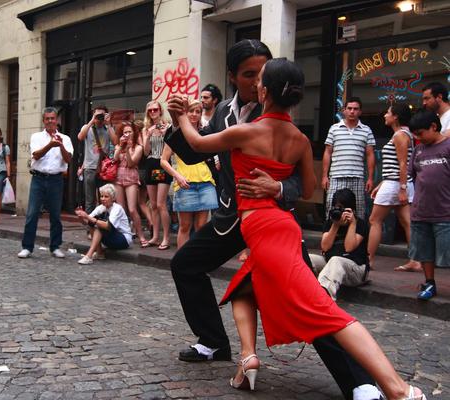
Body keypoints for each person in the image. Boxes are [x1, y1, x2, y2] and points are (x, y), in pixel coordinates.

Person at [177, 57, 425, 400]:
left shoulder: (246, 132)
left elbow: (198, 144)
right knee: (243, 288)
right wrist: (278, 184)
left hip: (264, 230)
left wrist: (179, 116)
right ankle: (246, 359)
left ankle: (398, 390)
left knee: (325, 311)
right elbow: (310, 191)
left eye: (259, 78)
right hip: (282, 227)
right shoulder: (300, 140)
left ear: (264, 91)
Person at [367, 104, 420, 272]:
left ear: (395, 116)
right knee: (407, 222)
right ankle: (415, 260)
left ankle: (368, 260)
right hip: (397, 183)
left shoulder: (400, 135)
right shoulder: (405, 134)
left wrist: (401, 188)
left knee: (375, 220)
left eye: (388, 112)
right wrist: (383, 183)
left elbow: (403, 164)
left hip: (396, 184)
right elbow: (398, 165)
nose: (385, 115)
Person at [18, 107, 73, 259]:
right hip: (39, 178)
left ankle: (55, 246)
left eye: (52, 118)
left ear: (57, 120)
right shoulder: (36, 137)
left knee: (55, 215)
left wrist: (60, 145)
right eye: (47, 118)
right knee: (32, 214)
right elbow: (36, 155)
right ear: (43, 121)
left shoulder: (65, 138)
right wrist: (50, 144)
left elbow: (68, 159)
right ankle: (27, 247)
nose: (50, 121)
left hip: (56, 179)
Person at [161, 100, 217, 248]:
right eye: (191, 111)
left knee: (201, 227)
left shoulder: (204, 132)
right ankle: (182, 264)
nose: (194, 114)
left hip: (206, 182)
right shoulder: (177, 133)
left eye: (197, 112)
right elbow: (163, 161)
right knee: (185, 226)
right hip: (185, 183)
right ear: (185, 113)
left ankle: (198, 262)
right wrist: (177, 176)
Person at [407, 109, 450, 301]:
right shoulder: (418, 150)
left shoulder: (448, 146)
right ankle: (429, 282)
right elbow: (413, 177)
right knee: (424, 252)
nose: (418, 137)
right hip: (421, 211)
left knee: (447, 252)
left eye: (420, 133)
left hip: (445, 212)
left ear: (434, 126)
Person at [310, 188, 370, 300]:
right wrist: (335, 225)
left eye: (342, 209)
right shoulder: (331, 222)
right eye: (337, 208)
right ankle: (304, 292)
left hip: (356, 270)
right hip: (332, 266)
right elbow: (325, 247)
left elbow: (349, 248)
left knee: (335, 260)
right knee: (308, 258)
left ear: (352, 209)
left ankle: (323, 298)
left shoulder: (360, 224)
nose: (340, 212)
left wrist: (352, 224)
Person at [322, 97, 375, 219]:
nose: (352, 111)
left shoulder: (366, 130)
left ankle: (357, 237)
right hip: (336, 176)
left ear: (360, 112)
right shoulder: (334, 128)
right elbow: (327, 153)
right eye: (349, 108)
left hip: (357, 176)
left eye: (355, 109)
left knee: (359, 211)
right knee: (331, 208)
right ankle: (330, 236)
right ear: (344, 110)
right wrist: (324, 176)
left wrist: (370, 178)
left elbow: (370, 155)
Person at [74, 183, 133, 265]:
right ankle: (99, 253)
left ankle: (89, 256)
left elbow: (107, 226)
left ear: (112, 198)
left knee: (99, 226)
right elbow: (87, 222)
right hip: (112, 237)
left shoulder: (117, 208)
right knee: (93, 224)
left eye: (106, 196)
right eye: (102, 196)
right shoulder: (101, 207)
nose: (103, 199)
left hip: (124, 240)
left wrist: (87, 217)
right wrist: (81, 216)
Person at [77, 105, 117, 215]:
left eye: (102, 115)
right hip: (90, 168)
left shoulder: (108, 128)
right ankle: (90, 227)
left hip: (104, 169)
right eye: (97, 114)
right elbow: (80, 137)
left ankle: (102, 225)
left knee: (104, 200)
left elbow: (115, 142)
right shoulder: (88, 128)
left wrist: (109, 124)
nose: (99, 118)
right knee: (90, 201)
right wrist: (92, 120)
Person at [142, 100, 172, 250]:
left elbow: (172, 147)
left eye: (155, 109)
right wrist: (147, 135)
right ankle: (155, 236)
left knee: (161, 204)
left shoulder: (168, 125)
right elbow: (145, 152)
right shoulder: (146, 128)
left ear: (161, 111)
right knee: (153, 204)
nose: (153, 112)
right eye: (150, 110)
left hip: (163, 163)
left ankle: (166, 237)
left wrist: (166, 132)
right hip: (150, 163)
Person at [113, 121, 146, 245]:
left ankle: (141, 235)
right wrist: (121, 147)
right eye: (124, 132)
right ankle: (125, 233)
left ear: (134, 133)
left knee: (132, 209)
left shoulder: (138, 147)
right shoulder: (118, 146)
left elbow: (132, 163)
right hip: (118, 177)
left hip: (131, 177)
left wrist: (127, 149)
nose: (127, 134)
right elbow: (115, 159)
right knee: (121, 209)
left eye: (129, 132)